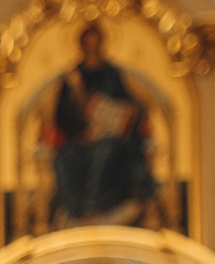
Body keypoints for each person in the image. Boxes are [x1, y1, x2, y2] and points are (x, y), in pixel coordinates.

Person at [48, 24, 156, 226]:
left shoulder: (112, 75)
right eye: (88, 44)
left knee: (107, 152)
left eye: (96, 44)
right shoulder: (72, 78)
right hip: (80, 139)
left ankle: (96, 207)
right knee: (65, 157)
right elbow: (61, 115)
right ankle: (75, 211)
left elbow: (129, 107)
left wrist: (117, 117)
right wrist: (82, 129)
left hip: (110, 138)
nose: (92, 49)